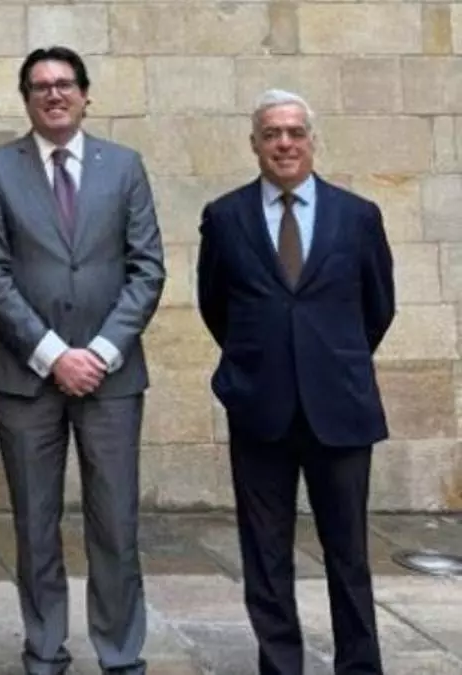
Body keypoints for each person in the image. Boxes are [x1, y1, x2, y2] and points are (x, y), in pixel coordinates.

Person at [0, 46, 166, 675]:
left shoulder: (125, 166)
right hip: (28, 378)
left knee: (116, 523)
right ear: (26, 99)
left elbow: (147, 268)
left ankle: (120, 652)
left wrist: (101, 353)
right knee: (35, 524)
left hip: (112, 379)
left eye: (64, 84)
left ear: (85, 95)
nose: (53, 94)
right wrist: (54, 355)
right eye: (40, 86)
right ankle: (45, 649)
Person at [196, 89, 395, 675]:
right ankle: (281, 666)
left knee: (349, 554)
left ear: (312, 141)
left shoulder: (357, 216)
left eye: (295, 132)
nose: (284, 143)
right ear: (254, 144)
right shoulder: (225, 217)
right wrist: (260, 363)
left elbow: (377, 307)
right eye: (271, 134)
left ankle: (359, 666)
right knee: (265, 556)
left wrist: (330, 359)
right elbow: (215, 306)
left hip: (340, 408)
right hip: (261, 408)